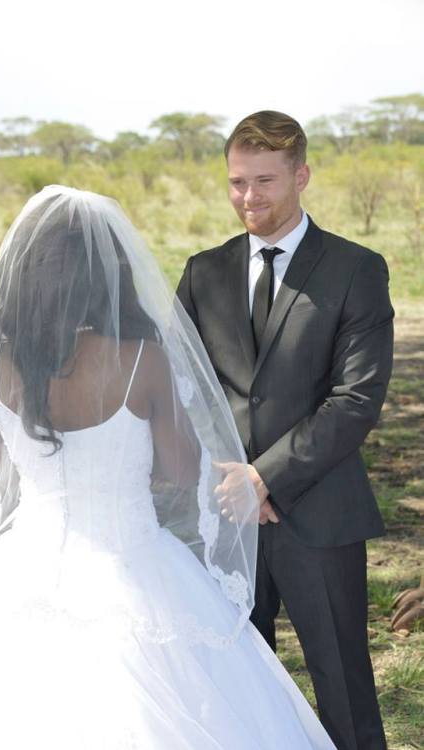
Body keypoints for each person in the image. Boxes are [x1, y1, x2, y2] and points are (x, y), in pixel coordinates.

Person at [0, 185, 334, 748]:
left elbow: (4, 475)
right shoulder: (143, 361)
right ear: (110, 277)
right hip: (134, 563)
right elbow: (179, 467)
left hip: (23, 568)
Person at [176, 110, 394, 750]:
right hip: (222, 515)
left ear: (302, 175)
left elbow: (356, 399)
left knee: (343, 685)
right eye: (237, 182)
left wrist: (262, 478)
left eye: (265, 181)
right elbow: (179, 388)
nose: (249, 197)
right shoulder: (202, 271)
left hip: (319, 512)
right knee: (236, 683)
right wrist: (227, 479)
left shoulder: (357, 269)